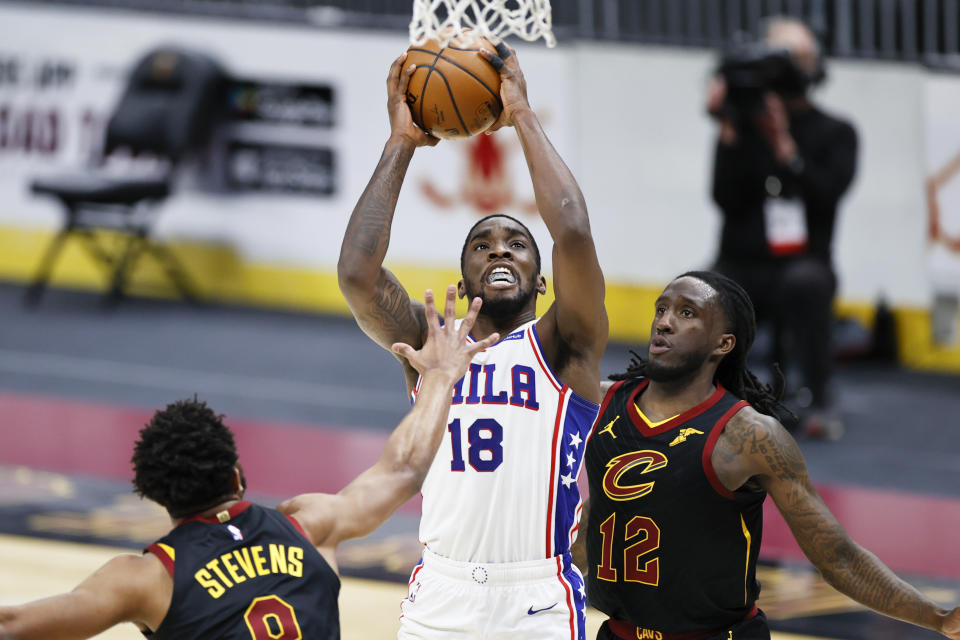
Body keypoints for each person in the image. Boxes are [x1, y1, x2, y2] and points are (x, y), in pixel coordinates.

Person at [0, 286, 499, 640]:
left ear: (159, 500)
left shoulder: (147, 578)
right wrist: (439, 376)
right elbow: (405, 469)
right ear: (237, 475)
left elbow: (15, 626)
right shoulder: (309, 525)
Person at [338, 42, 608, 638]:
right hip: (441, 591)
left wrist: (522, 115)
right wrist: (401, 143)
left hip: (537, 592)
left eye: (517, 244)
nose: (501, 250)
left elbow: (574, 230)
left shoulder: (566, 345)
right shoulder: (429, 345)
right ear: (464, 279)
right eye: (483, 245)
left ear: (543, 283)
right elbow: (357, 275)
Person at [579, 270, 960, 640]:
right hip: (618, 632)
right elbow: (587, 523)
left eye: (686, 313)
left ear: (723, 344)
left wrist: (938, 618)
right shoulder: (598, 403)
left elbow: (837, 557)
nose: (664, 322)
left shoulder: (749, 436)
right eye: (661, 309)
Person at [707, 16, 858, 438]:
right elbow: (724, 198)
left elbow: (827, 193)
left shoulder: (837, 132)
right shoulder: (740, 130)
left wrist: (784, 147)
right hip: (742, 260)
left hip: (803, 261)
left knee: (805, 284)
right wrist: (729, 130)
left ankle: (819, 395)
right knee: (704, 287)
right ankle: (700, 394)